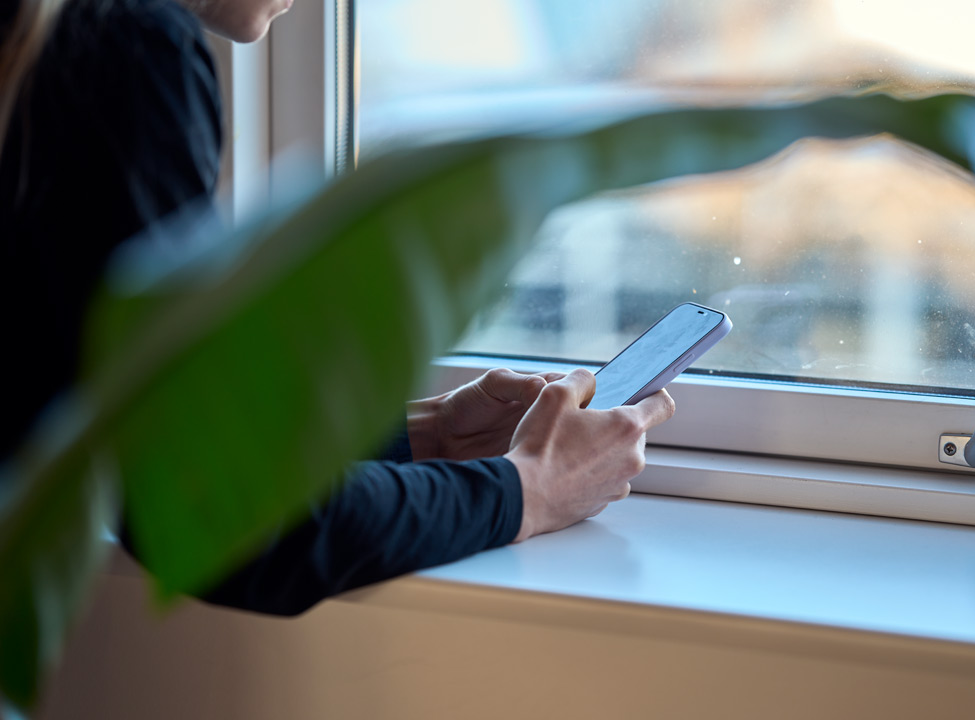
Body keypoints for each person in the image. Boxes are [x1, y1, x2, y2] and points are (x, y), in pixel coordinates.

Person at [0, 0, 675, 615]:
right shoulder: (119, 50)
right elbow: (227, 524)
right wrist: (529, 490)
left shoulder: (53, 37)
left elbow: (97, 418)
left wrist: (424, 438)